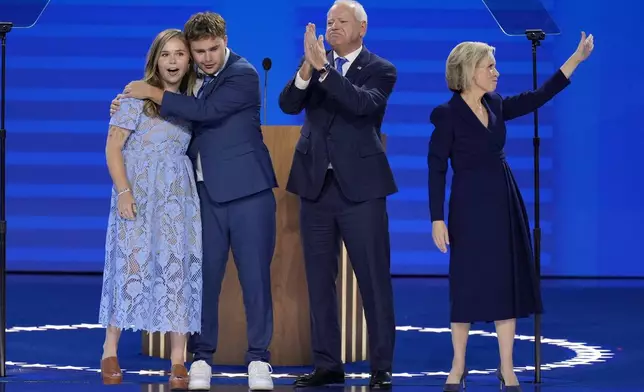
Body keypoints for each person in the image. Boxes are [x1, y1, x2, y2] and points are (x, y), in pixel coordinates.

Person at [111, 12, 277, 391]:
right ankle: (202, 356)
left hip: (249, 193)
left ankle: (259, 359)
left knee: (255, 279)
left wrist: (149, 92)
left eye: (212, 49)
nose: (206, 58)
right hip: (203, 196)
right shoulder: (186, 83)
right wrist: (128, 105)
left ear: (225, 40)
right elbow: (168, 116)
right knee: (202, 280)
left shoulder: (244, 74)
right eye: (198, 51)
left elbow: (206, 113)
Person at [427, 32, 594, 391]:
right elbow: (436, 166)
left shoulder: (497, 105)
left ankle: (507, 366)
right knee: (467, 284)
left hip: (503, 200)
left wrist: (576, 59)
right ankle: (458, 366)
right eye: (490, 66)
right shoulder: (446, 114)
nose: (496, 72)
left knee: (505, 284)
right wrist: (436, 218)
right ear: (471, 71)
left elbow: (539, 96)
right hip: (468, 207)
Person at [278, 0, 397, 389]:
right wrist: (306, 70)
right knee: (318, 281)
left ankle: (381, 367)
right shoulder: (313, 64)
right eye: (329, 21)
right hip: (315, 187)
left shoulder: (381, 70)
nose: (333, 26)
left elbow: (362, 105)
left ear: (362, 28)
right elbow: (287, 103)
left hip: (361, 190)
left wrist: (324, 70)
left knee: (373, 280)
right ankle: (327, 364)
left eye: (341, 21)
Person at [99, 28, 202, 391]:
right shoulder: (132, 99)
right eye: (166, 55)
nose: (172, 62)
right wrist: (124, 192)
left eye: (179, 55)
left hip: (177, 199)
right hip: (137, 195)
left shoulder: (193, 100)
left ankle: (178, 360)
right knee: (130, 265)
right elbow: (113, 149)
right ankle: (109, 350)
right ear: (154, 59)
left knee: (177, 269)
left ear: (189, 60)